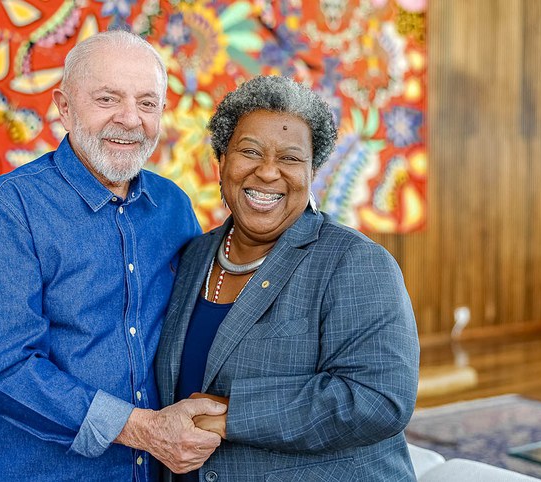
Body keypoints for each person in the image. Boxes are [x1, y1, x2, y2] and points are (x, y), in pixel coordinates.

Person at [0, 30, 226, 482]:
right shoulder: (7, 210)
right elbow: (6, 370)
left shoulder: (174, 208)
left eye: (146, 103)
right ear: (64, 107)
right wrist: (143, 429)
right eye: (107, 99)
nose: (130, 119)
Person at [155, 76, 420, 481]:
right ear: (221, 162)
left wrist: (231, 416)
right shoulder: (191, 258)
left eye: (291, 158)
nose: (267, 172)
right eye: (249, 152)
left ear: (312, 172)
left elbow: (378, 399)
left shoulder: (356, 262)